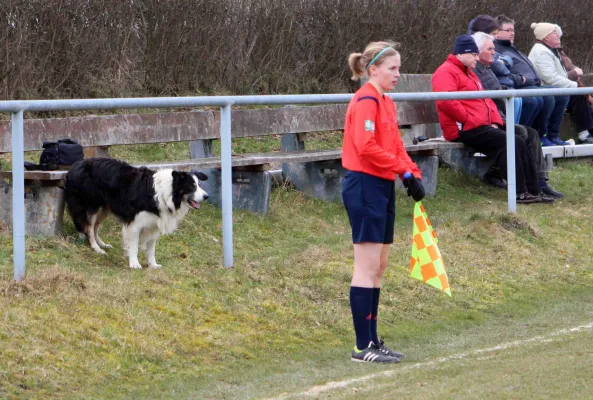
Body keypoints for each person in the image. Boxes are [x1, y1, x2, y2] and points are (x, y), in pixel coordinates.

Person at [343, 41, 424, 363]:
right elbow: (366, 147)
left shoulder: (386, 102)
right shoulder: (365, 100)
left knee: (379, 267)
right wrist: (401, 173)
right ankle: (362, 346)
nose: (398, 74)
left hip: (381, 184)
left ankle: (373, 341)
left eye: (399, 67)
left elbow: (394, 145)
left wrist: (411, 173)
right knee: (366, 267)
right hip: (363, 185)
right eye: (392, 68)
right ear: (372, 69)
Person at [432, 34, 549, 204]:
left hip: (480, 125)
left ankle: (533, 190)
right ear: (461, 54)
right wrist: (470, 120)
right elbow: (446, 102)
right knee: (509, 141)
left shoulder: (470, 74)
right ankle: (519, 192)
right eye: (473, 54)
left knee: (520, 139)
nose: (476, 58)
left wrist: (496, 122)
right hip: (463, 129)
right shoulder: (445, 72)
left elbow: (487, 100)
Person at [472, 31, 563, 198]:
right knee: (520, 135)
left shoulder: (487, 68)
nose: (494, 52)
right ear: (477, 51)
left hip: (497, 118)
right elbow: (487, 98)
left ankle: (539, 182)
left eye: (494, 48)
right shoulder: (475, 71)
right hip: (487, 122)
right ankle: (522, 185)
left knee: (532, 134)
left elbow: (499, 90)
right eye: (490, 49)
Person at [495, 15, 570, 146]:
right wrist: (524, 80)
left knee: (562, 93)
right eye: (508, 30)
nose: (512, 33)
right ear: (496, 33)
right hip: (519, 86)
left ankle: (553, 135)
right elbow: (506, 74)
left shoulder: (512, 47)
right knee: (544, 98)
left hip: (533, 84)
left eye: (513, 30)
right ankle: (538, 136)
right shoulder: (497, 50)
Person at [531, 24, 593, 144]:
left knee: (582, 96)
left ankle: (588, 132)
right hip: (548, 91)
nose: (558, 35)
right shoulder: (541, 52)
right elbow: (550, 78)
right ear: (546, 37)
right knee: (578, 96)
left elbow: (559, 75)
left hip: (555, 89)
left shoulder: (549, 51)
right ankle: (583, 135)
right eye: (554, 33)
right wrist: (574, 86)